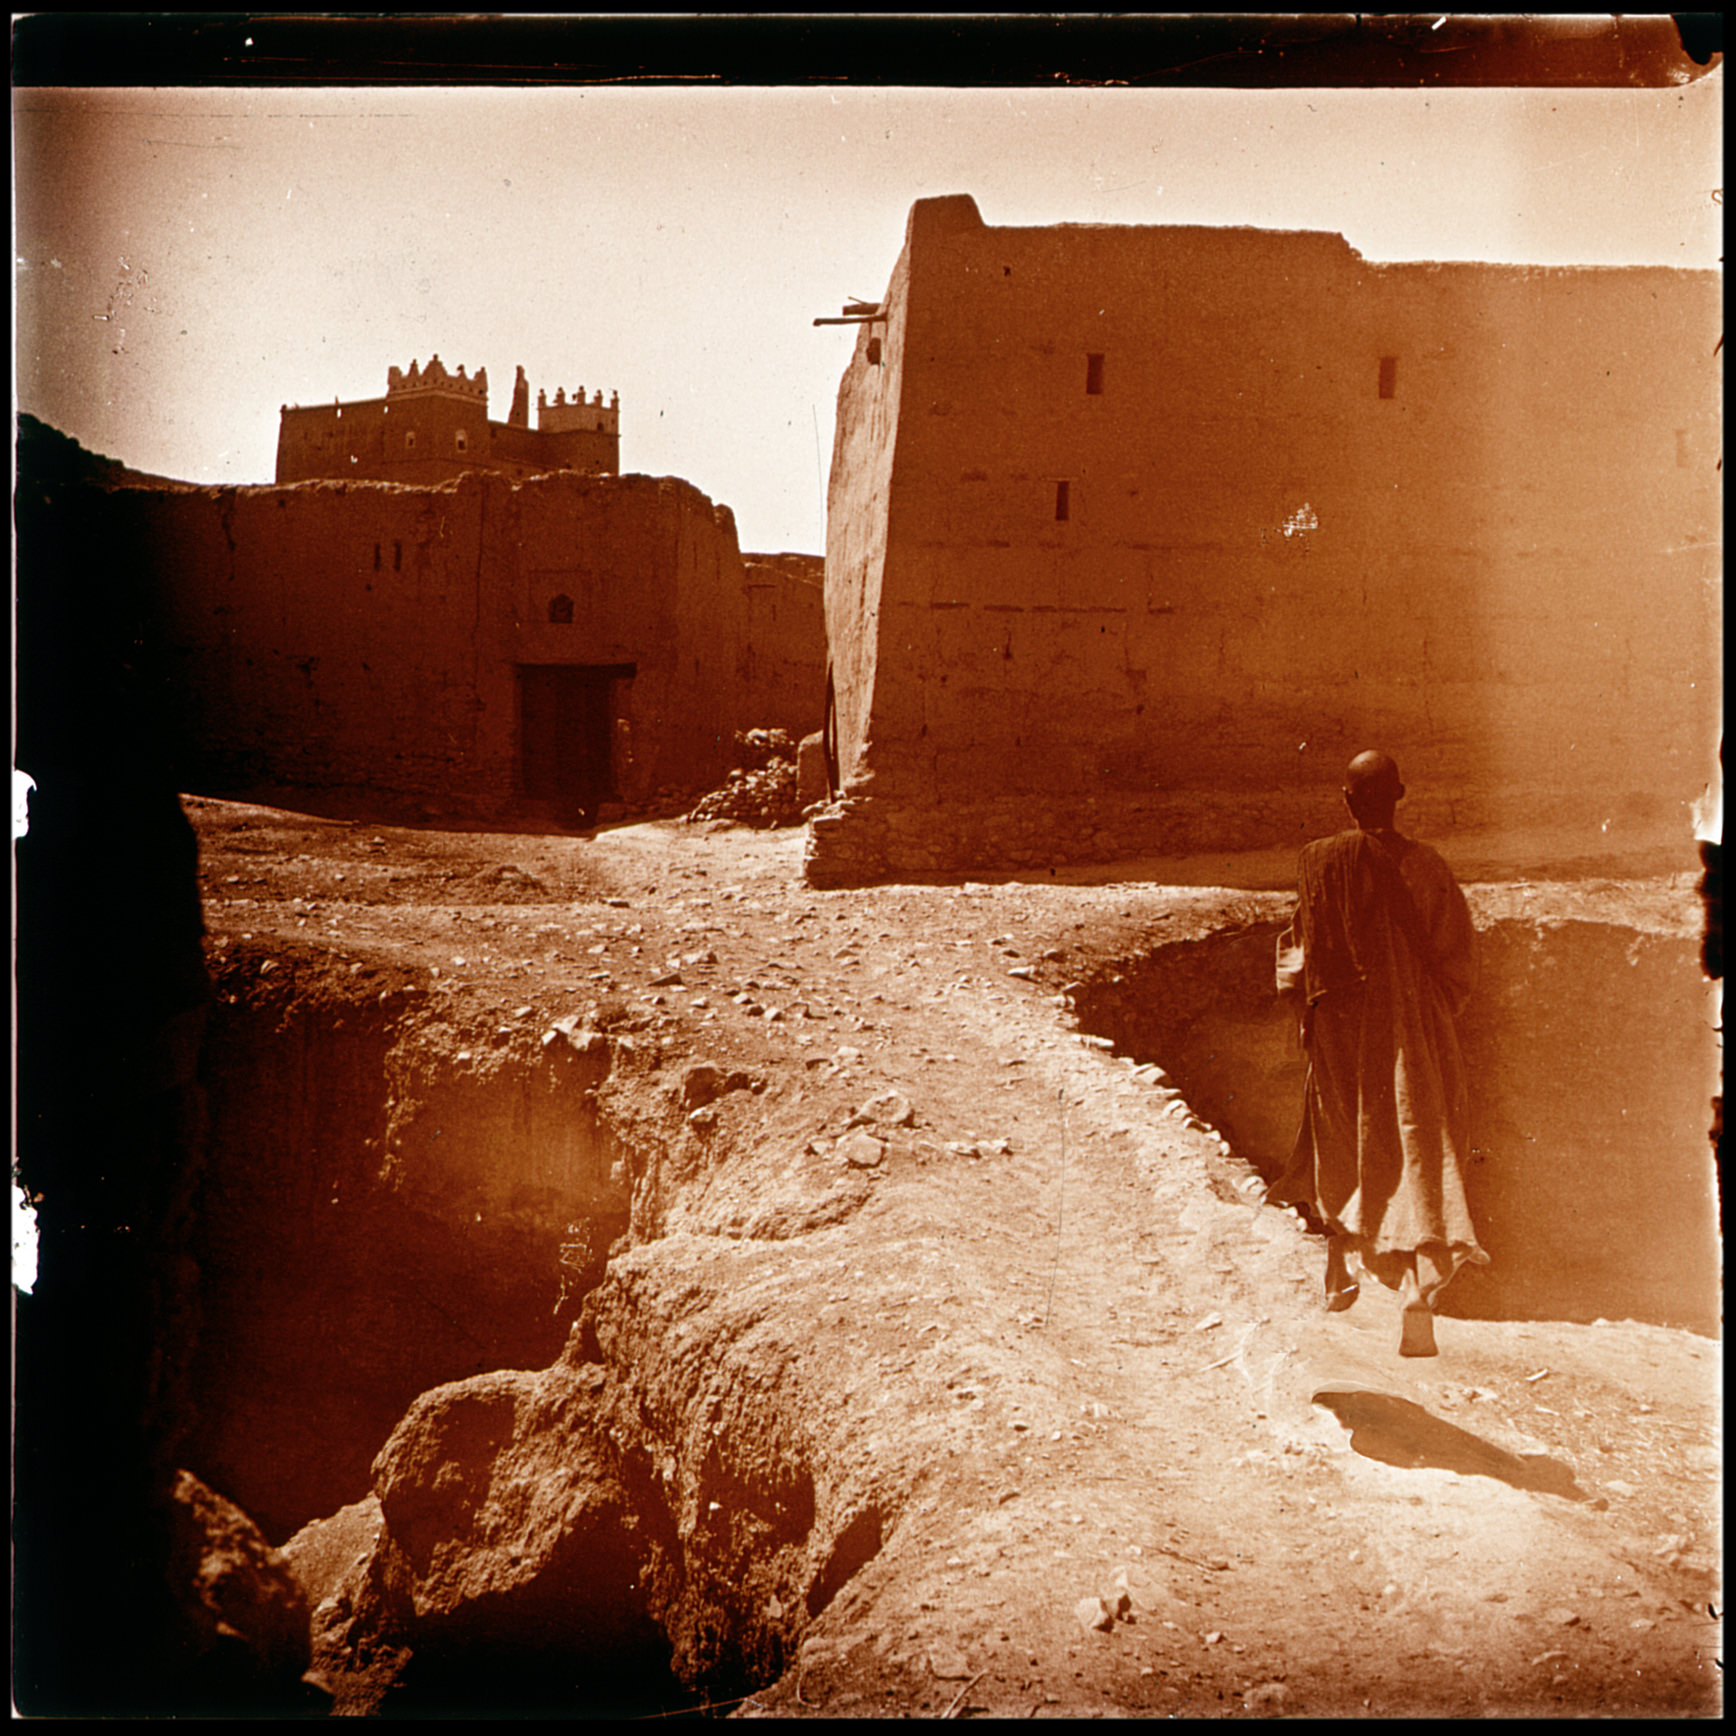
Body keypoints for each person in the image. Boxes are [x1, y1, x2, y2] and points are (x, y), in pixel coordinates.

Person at [1270, 751, 1487, 1356]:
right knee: (1420, 1148)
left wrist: (1312, 1014)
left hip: (1340, 1027)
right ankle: (1417, 1286)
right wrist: (1430, 1011)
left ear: (1346, 800)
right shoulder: (1427, 866)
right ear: (1400, 795)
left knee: (1342, 1138)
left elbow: (1299, 956)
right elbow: (1456, 958)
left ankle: (1340, 1260)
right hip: (1412, 1028)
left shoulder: (1319, 862)